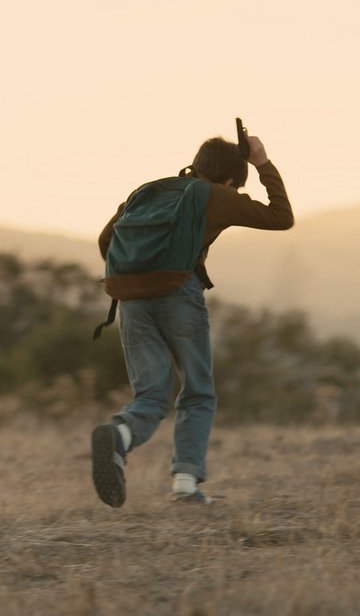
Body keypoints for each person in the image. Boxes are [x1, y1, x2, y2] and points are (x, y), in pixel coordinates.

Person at [91, 132, 293, 507]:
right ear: (231, 180)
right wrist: (262, 163)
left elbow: (107, 240)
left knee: (151, 393)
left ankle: (119, 434)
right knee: (197, 390)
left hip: (131, 296)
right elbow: (281, 217)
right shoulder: (217, 196)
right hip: (178, 293)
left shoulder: (150, 190)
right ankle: (185, 484)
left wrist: (139, 275)